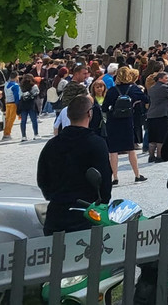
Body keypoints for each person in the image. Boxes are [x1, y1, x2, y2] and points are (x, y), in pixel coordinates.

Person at [36, 94, 113, 235]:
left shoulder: (52, 144)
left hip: (56, 213)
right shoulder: (96, 143)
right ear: (90, 113)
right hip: (86, 213)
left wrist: (54, 196)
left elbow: (42, 178)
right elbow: (105, 178)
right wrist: (103, 202)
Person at [103, 66, 147, 185]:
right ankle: (137, 174)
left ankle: (115, 177)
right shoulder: (133, 89)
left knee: (113, 151)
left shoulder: (112, 90)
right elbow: (146, 99)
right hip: (127, 121)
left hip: (113, 121)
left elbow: (104, 107)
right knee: (131, 149)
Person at [145, 71, 168, 162]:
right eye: (166, 78)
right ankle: (159, 156)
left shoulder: (151, 88)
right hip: (162, 114)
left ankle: (151, 156)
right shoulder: (165, 88)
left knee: (152, 138)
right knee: (161, 137)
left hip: (151, 114)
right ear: (160, 79)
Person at [18, 73, 41, 141]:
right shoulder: (34, 86)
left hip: (23, 105)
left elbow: (20, 96)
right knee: (34, 120)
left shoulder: (21, 86)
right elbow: (37, 93)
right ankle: (36, 134)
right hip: (31, 104)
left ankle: (24, 136)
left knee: (23, 121)